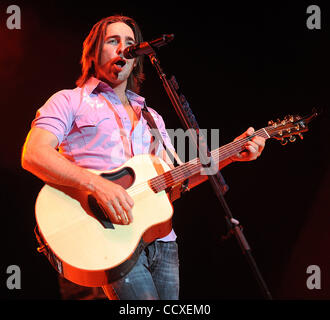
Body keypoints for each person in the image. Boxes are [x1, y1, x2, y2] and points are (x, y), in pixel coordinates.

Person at [21, 15, 266, 300]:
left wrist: (232, 155)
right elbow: (34, 154)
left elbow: (175, 184)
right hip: (108, 235)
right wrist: (97, 184)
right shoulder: (69, 101)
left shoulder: (152, 117)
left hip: (162, 241)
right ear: (93, 51)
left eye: (130, 44)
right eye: (113, 41)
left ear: (137, 58)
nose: (123, 49)